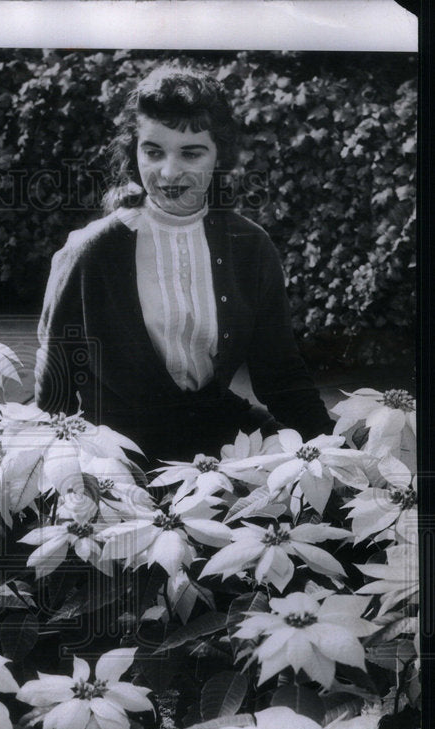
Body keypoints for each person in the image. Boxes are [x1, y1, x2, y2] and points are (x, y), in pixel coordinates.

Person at [34, 66, 333, 465]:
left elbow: (282, 376)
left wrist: (338, 458)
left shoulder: (250, 246)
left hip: (220, 444)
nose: (169, 172)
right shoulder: (90, 253)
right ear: (133, 152)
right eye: (153, 151)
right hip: (117, 460)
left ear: (219, 156)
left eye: (191, 152)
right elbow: (53, 394)